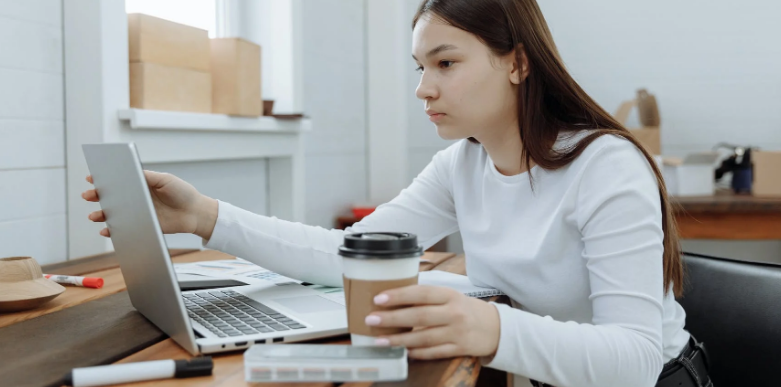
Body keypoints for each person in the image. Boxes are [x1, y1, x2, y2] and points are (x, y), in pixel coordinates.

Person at [83, 1, 713, 386]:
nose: (423, 89)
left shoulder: (605, 165)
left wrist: (493, 327)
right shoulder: (461, 165)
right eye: (419, 66)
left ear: (518, 62)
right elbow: (349, 253)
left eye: (445, 63)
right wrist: (204, 216)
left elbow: (632, 363)